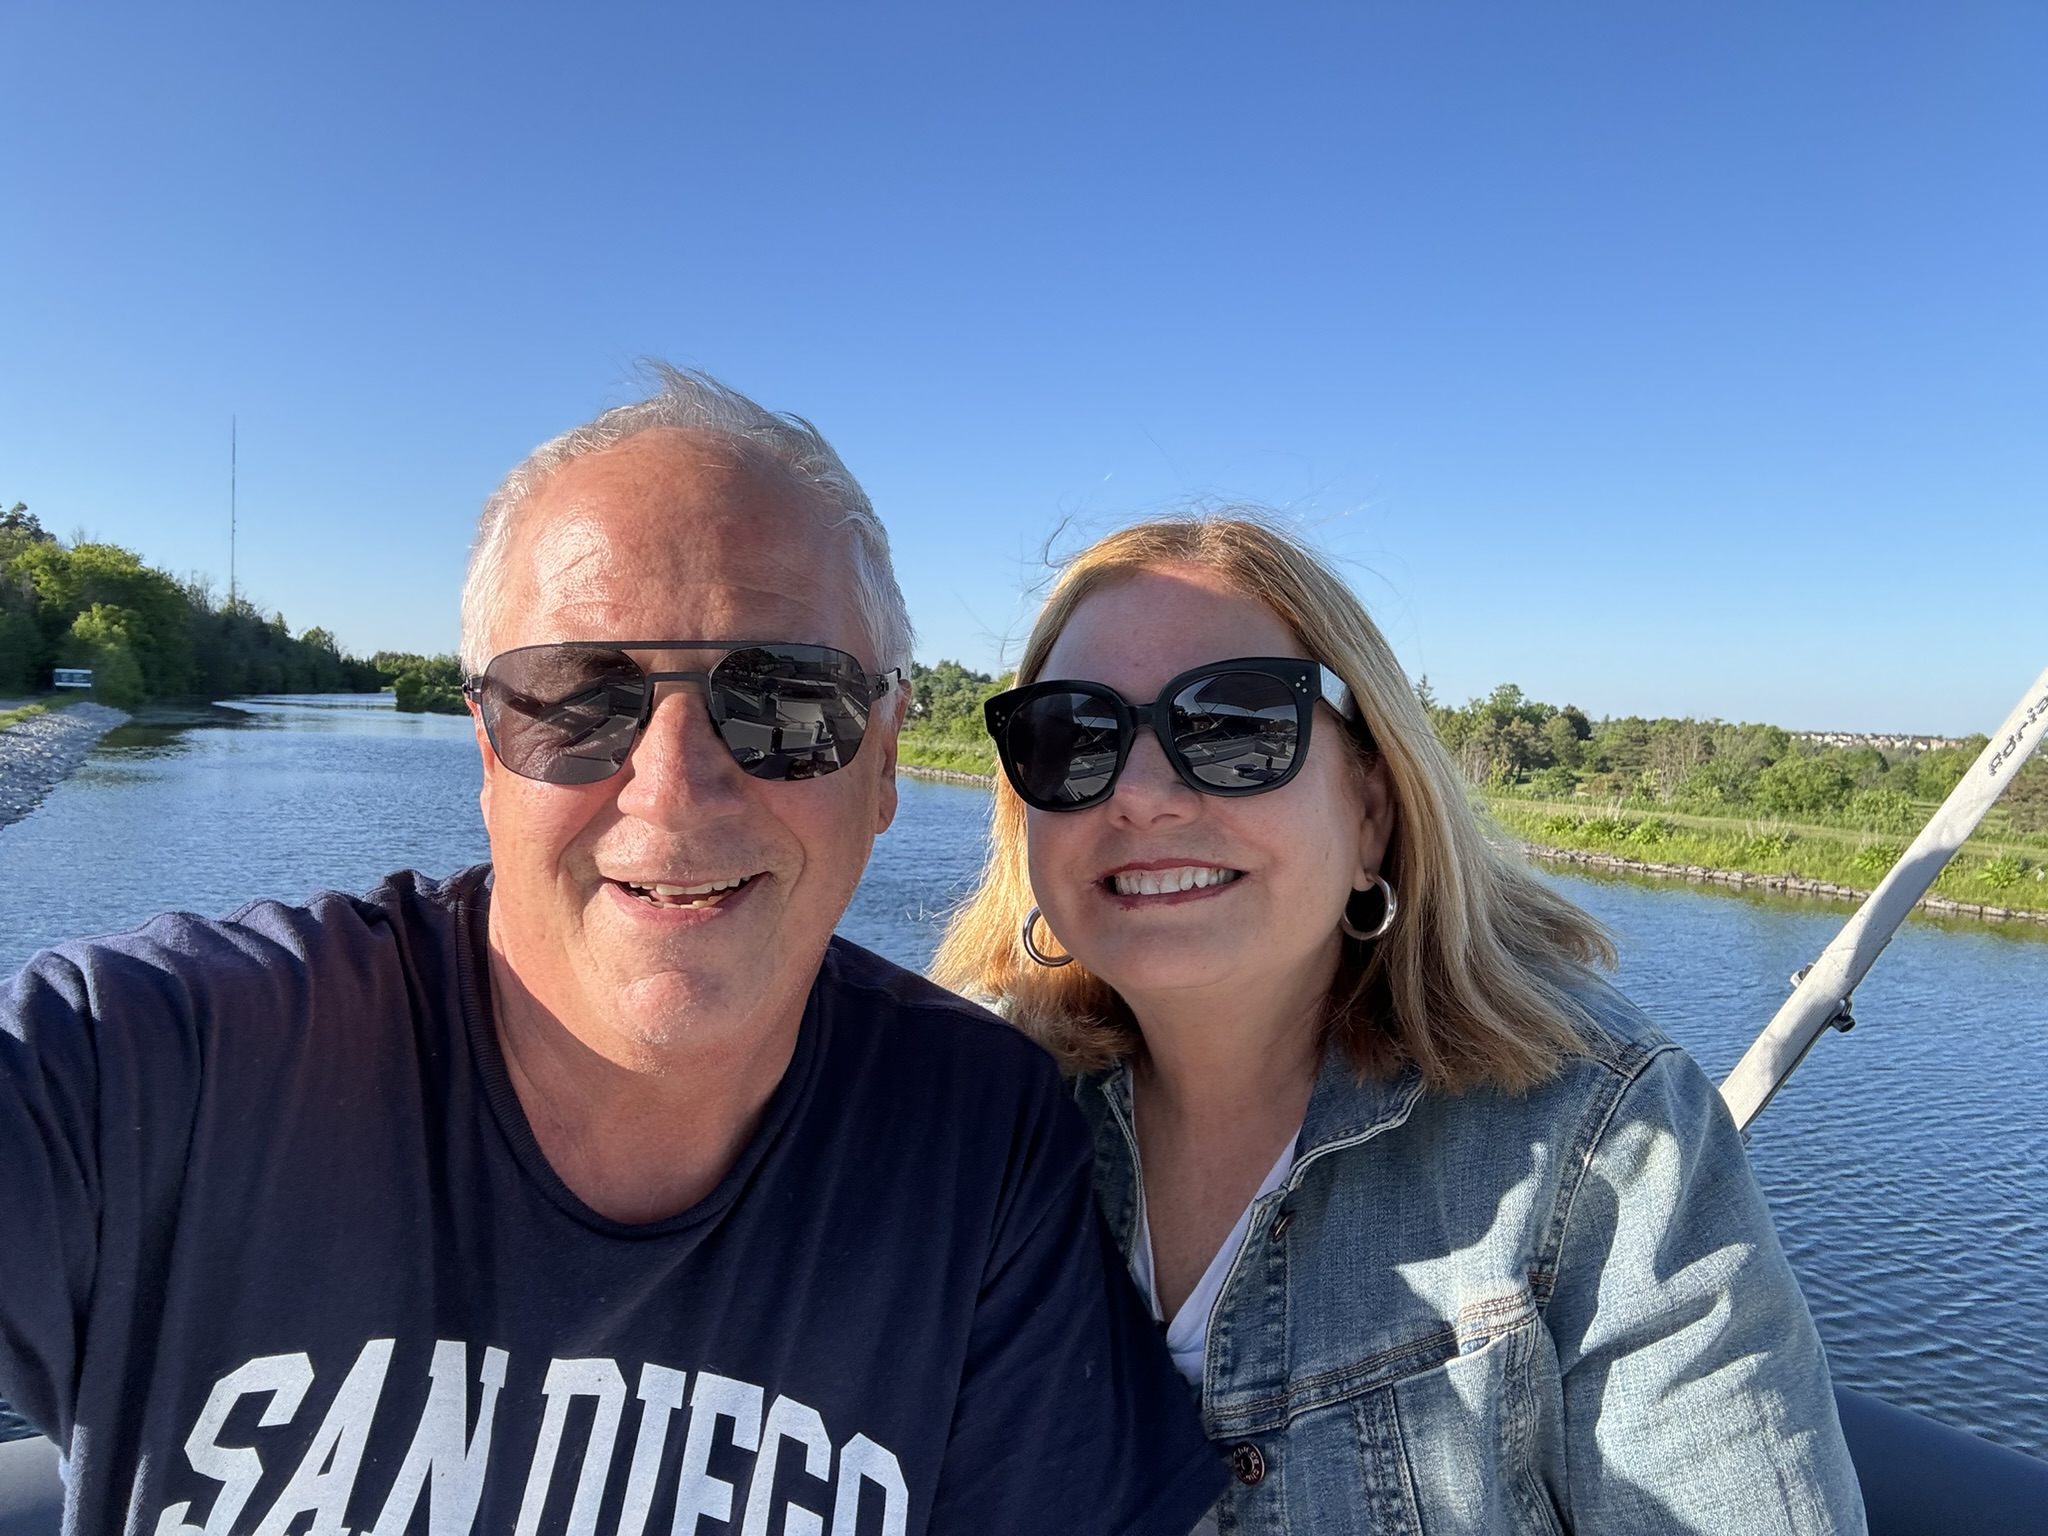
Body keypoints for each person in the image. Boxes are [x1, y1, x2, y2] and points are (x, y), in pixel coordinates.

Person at [0, 369, 1223, 1535]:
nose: (675, 788)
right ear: (486, 748)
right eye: (578, 694)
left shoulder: (969, 1136)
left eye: (787, 700)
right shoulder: (157, 1064)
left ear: (889, 756)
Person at [935, 514, 1867, 1534]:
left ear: (1370, 810)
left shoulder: (1605, 1148)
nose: (1144, 795)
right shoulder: (965, 1121)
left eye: (1238, 728)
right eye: (1072, 738)